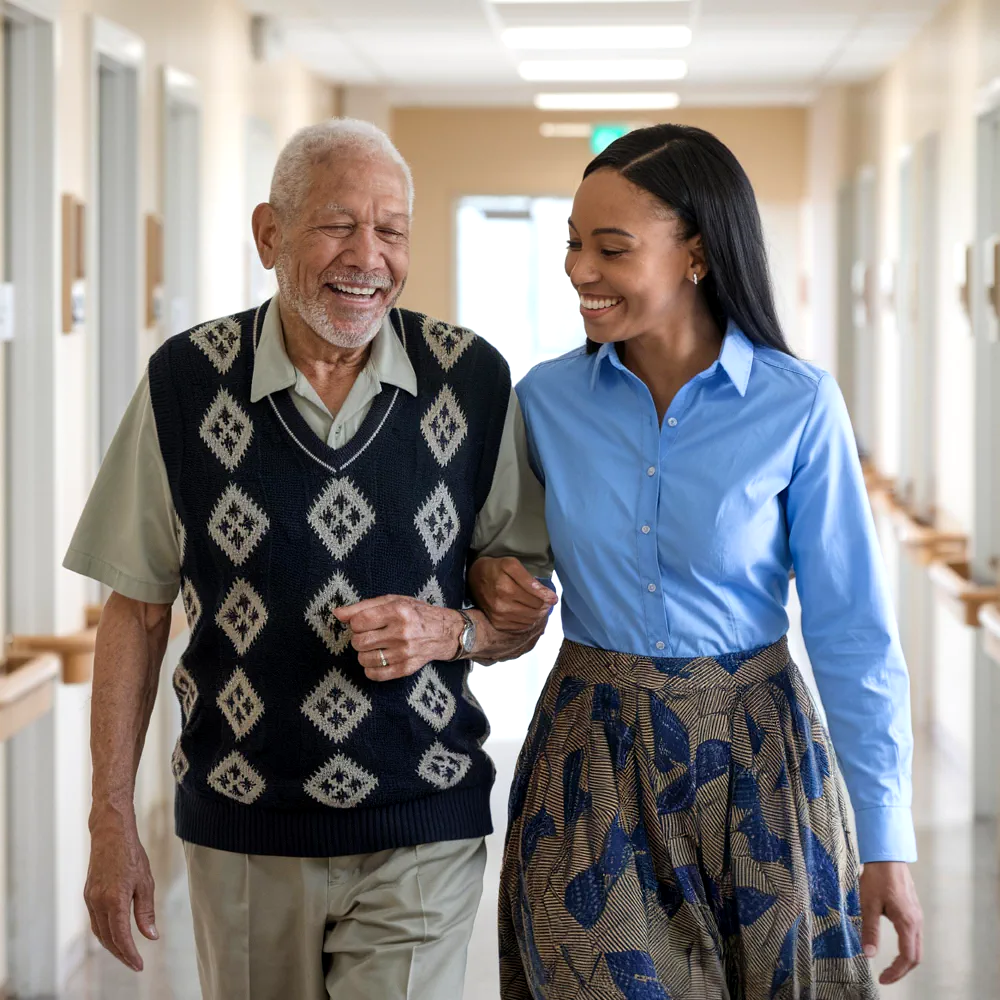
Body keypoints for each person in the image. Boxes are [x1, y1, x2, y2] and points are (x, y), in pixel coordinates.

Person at [64, 118, 552, 1000]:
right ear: (269, 234)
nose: (369, 255)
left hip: (421, 820)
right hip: (244, 829)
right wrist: (109, 819)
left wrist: (452, 630)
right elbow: (135, 610)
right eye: (337, 225)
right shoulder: (185, 383)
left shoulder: (471, 380)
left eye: (392, 230)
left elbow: (516, 613)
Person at [470, 123, 922, 999]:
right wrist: (491, 577)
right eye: (571, 243)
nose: (577, 270)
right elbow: (502, 564)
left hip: (765, 765)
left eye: (611, 248)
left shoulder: (798, 405)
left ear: (697, 256)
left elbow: (854, 634)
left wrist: (887, 840)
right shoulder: (544, 402)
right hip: (591, 764)